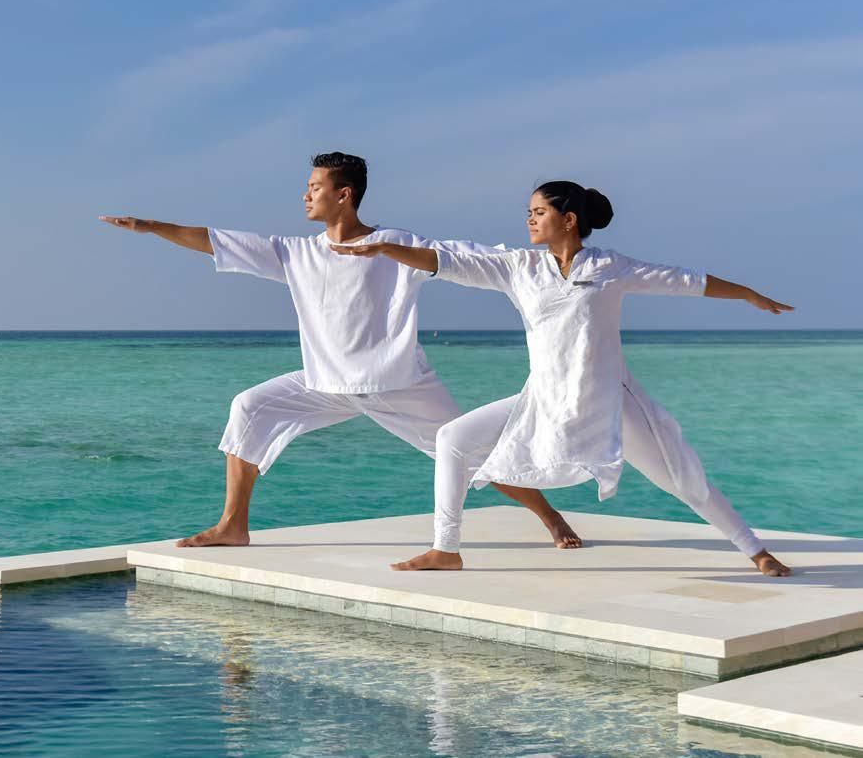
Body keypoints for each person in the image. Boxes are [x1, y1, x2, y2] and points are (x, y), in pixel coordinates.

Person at [99, 152, 580, 549]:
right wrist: (153, 226)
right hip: (325, 383)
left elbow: (469, 255)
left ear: (343, 194)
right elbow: (215, 241)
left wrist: (549, 255)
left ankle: (550, 516)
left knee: (473, 453)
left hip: (398, 383)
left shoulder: (396, 246)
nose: (305, 195)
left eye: (314, 187)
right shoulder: (296, 253)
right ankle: (233, 526)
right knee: (249, 406)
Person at [331, 180, 792, 577]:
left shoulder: (610, 267)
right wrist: (386, 249)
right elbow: (445, 262)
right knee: (453, 438)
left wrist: (747, 294)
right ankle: (445, 550)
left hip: (610, 403)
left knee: (682, 480)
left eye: (538, 212)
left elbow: (685, 280)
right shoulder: (518, 268)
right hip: (544, 401)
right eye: (528, 213)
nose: (529, 220)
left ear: (568, 219)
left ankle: (756, 550)